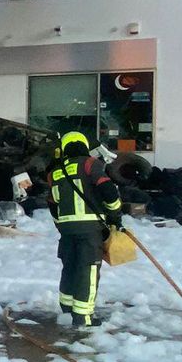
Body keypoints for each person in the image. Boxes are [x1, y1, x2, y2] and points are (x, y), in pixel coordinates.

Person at [46, 131, 123, 331]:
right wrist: (115, 216)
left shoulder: (55, 172)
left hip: (67, 230)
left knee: (70, 266)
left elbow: (53, 204)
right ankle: (83, 316)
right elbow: (109, 191)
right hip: (89, 229)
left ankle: (67, 306)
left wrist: (61, 225)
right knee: (88, 269)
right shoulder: (90, 164)